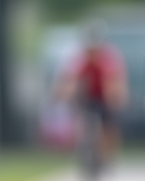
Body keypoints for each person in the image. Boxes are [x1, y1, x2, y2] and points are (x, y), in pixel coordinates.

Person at [55, 19, 128, 166]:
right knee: (81, 120)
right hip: (87, 96)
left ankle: (108, 154)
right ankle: (82, 147)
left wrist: (116, 98)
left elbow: (114, 82)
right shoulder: (78, 58)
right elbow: (69, 79)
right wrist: (64, 94)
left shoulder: (109, 58)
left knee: (109, 124)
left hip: (103, 96)